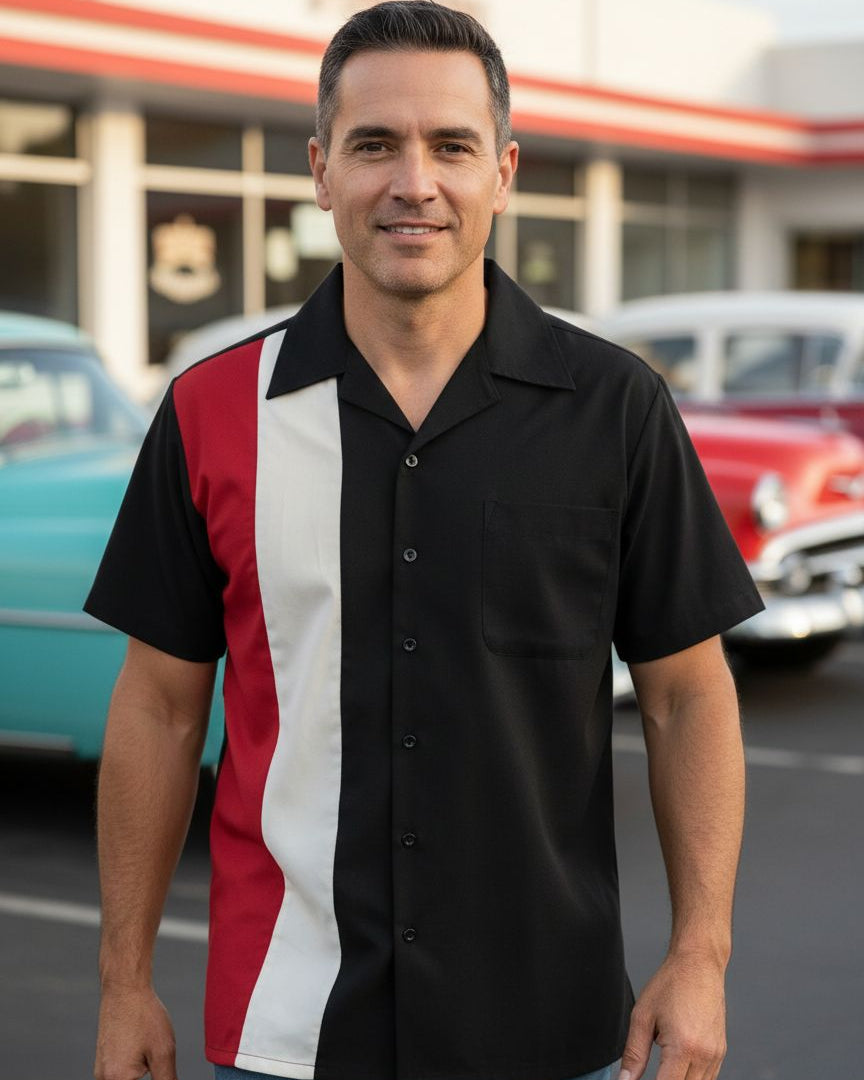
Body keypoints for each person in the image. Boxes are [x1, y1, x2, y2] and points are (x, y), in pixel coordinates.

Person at [87, 4, 764, 1080]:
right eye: (374, 145)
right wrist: (124, 982)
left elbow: (689, 693)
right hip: (284, 1033)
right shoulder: (211, 412)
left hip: (553, 1029)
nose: (415, 182)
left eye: (450, 145)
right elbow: (161, 707)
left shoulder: (617, 409)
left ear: (502, 171)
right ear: (319, 171)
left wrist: (703, 954)